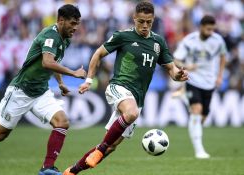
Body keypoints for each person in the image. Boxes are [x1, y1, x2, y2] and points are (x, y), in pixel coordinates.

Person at [0, 4, 86, 175]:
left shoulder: (65, 39)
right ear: (60, 20)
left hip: (40, 91)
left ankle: (47, 168)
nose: (76, 27)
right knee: (0, 134)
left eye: (78, 23)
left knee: (62, 122)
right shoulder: (50, 35)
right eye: (73, 23)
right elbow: (47, 62)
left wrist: (60, 82)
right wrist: (74, 73)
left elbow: (53, 63)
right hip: (20, 91)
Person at [63, 1, 188, 175]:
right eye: (141, 21)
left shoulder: (158, 42)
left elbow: (171, 69)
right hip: (119, 87)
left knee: (112, 146)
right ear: (134, 18)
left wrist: (178, 75)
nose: (145, 26)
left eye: (149, 22)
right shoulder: (123, 36)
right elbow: (98, 53)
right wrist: (89, 80)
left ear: (153, 20)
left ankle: (72, 171)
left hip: (138, 97)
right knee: (131, 113)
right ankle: (100, 149)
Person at [173, 15, 226, 159]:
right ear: (201, 27)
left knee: (202, 118)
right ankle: (199, 150)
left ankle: (184, 97)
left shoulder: (218, 40)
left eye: (212, 29)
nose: (210, 32)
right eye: (208, 29)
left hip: (209, 82)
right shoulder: (189, 41)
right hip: (193, 80)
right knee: (196, 111)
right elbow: (176, 60)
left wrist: (220, 76)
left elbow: (223, 56)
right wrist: (186, 66)